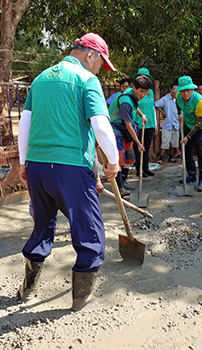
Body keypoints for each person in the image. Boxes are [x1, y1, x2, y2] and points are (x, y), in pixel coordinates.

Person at [17, 33, 119, 311]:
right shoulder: (87, 80)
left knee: (42, 226)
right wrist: (113, 160)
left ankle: (27, 291)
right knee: (90, 233)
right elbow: (100, 125)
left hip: (38, 166)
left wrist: (25, 163)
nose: (100, 69)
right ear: (90, 55)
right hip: (70, 167)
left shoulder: (40, 79)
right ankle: (80, 300)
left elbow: (25, 123)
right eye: (101, 63)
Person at [109, 75, 152, 192]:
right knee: (119, 158)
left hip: (126, 129)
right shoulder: (125, 102)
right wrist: (138, 143)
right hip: (116, 129)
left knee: (129, 157)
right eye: (141, 91)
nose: (143, 95)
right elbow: (128, 125)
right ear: (134, 88)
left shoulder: (132, 95)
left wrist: (142, 115)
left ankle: (124, 181)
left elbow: (135, 107)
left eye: (145, 92)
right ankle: (119, 188)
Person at [175, 76, 202, 192]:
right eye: (183, 90)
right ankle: (191, 175)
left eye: (188, 90)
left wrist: (188, 137)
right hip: (188, 124)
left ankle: (201, 180)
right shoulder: (178, 97)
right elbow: (178, 105)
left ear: (192, 89)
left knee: (201, 152)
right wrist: (179, 113)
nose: (185, 93)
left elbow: (198, 123)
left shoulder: (200, 101)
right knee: (187, 151)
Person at [132, 68, 157, 177]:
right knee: (139, 147)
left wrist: (155, 124)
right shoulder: (135, 92)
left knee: (146, 147)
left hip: (149, 124)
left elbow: (152, 108)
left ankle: (146, 168)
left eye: (145, 77)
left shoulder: (150, 92)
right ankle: (139, 169)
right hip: (138, 124)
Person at [155, 82, 180, 164]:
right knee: (165, 141)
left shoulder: (179, 99)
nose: (175, 91)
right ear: (170, 90)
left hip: (176, 124)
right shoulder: (165, 99)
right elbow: (155, 104)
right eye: (173, 89)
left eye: (177, 89)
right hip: (167, 123)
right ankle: (161, 157)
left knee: (174, 141)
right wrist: (162, 111)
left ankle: (171, 156)